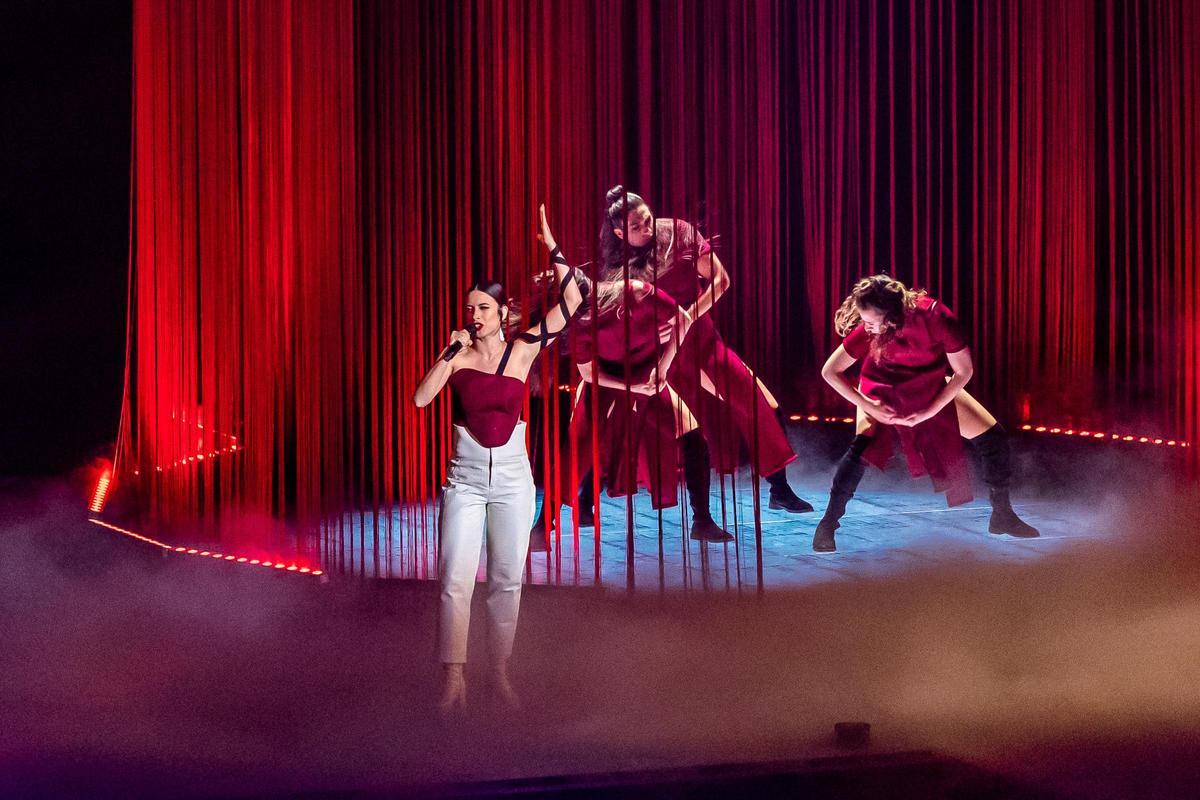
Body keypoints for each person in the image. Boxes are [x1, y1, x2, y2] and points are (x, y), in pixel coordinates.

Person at [413, 205, 582, 713]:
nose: (474, 315)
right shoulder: (458, 358)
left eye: (483, 308)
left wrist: (552, 246)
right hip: (464, 481)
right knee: (455, 581)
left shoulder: (524, 349)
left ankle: (500, 673)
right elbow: (422, 399)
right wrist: (447, 353)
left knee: (508, 579)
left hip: (513, 480)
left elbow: (573, 299)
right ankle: (454, 678)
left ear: (503, 313)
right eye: (470, 308)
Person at [599, 186, 812, 514]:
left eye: (647, 220)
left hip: (701, 338)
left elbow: (721, 281)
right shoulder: (622, 268)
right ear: (619, 233)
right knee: (647, 423)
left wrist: (687, 316)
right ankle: (588, 499)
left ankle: (779, 489)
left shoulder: (681, 233)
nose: (647, 229)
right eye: (636, 228)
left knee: (757, 403)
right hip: (662, 350)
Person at [813, 274, 1039, 553]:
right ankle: (827, 525)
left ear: (892, 317)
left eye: (871, 321)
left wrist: (930, 410)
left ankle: (1002, 516)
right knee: (864, 448)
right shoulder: (871, 330)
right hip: (881, 389)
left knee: (993, 438)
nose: (866, 327)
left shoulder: (935, 318)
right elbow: (830, 372)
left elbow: (964, 371)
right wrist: (871, 407)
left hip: (927, 388)